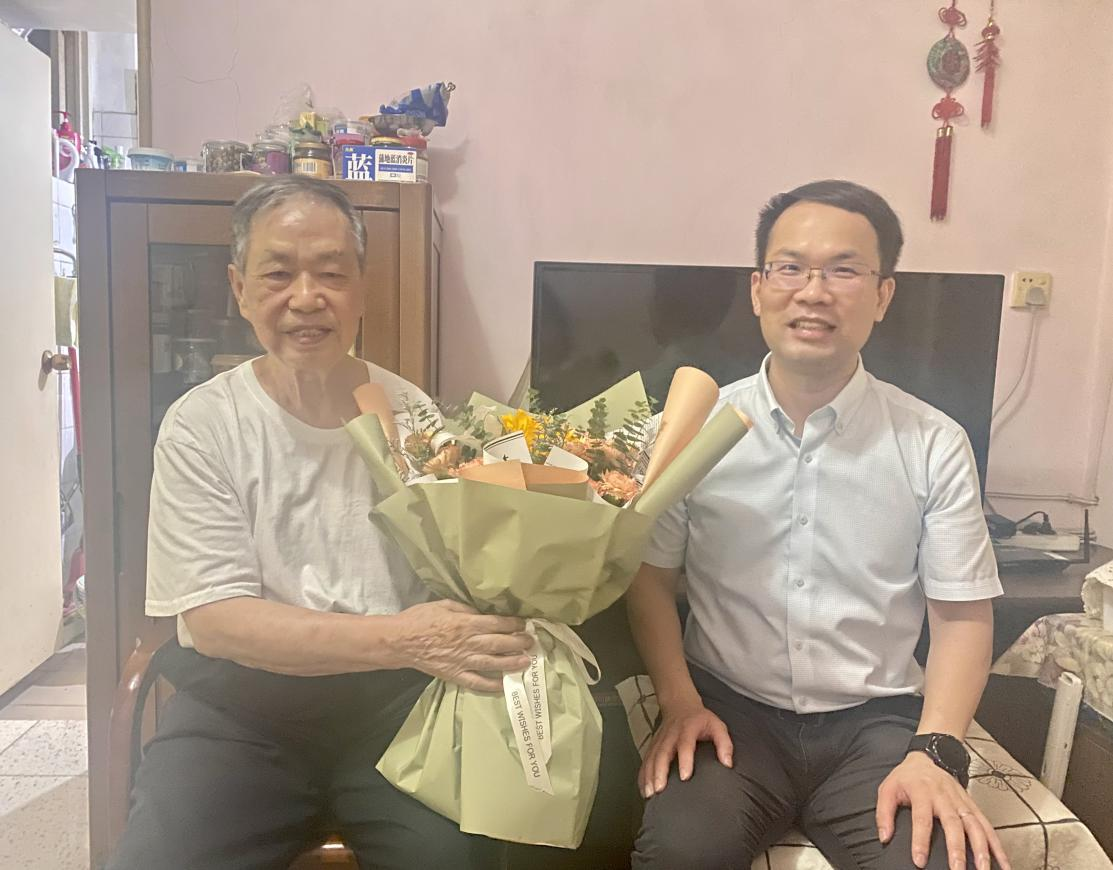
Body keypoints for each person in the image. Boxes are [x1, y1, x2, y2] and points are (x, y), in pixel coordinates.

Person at [109, 175, 531, 869]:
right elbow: (217, 622)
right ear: (239, 288)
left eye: (331, 274)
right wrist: (405, 638)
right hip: (240, 714)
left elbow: (456, 570)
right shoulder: (203, 425)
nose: (306, 298)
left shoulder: (413, 416)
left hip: (396, 712)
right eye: (278, 274)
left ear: (360, 288)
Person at [627, 180, 1011, 870]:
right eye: (790, 267)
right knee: (679, 852)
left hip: (877, 726)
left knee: (941, 862)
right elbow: (649, 581)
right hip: (730, 714)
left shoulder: (932, 442)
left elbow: (961, 615)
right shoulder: (691, 432)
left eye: (843, 270)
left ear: (883, 295)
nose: (813, 292)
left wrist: (934, 750)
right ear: (757, 289)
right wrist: (679, 702)